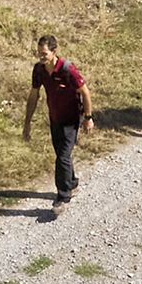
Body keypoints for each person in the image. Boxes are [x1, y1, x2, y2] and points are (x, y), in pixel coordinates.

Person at [22, 34, 92, 209]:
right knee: (62, 155)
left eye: (44, 53)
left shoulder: (68, 69)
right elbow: (33, 96)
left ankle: (63, 197)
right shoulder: (39, 70)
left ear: (54, 52)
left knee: (62, 157)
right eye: (39, 53)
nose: (41, 57)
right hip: (54, 118)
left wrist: (88, 118)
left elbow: (85, 93)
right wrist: (27, 122)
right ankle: (72, 182)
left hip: (72, 119)